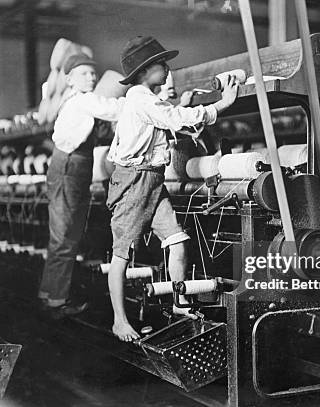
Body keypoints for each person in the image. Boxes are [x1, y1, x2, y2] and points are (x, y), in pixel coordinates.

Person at [106, 36, 238, 341]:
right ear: (143, 71)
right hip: (134, 181)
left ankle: (179, 303)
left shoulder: (147, 99)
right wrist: (222, 105)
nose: (167, 70)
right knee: (121, 255)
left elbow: (171, 117)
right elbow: (175, 119)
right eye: (160, 65)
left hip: (152, 179)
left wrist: (185, 105)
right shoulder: (140, 98)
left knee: (177, 239)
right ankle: (118, 320)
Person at [39, 53, 125, 319]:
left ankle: (50, 293)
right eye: (84, 73)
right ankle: (56, 303)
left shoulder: (75, 101)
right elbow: (116, 109)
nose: (91, 77)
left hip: (72, 167)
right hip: (70, 168)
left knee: (64, 236)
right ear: (69, 79)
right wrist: (143, 98)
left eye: (92, 73)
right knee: (65, 237)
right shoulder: (83, 100)